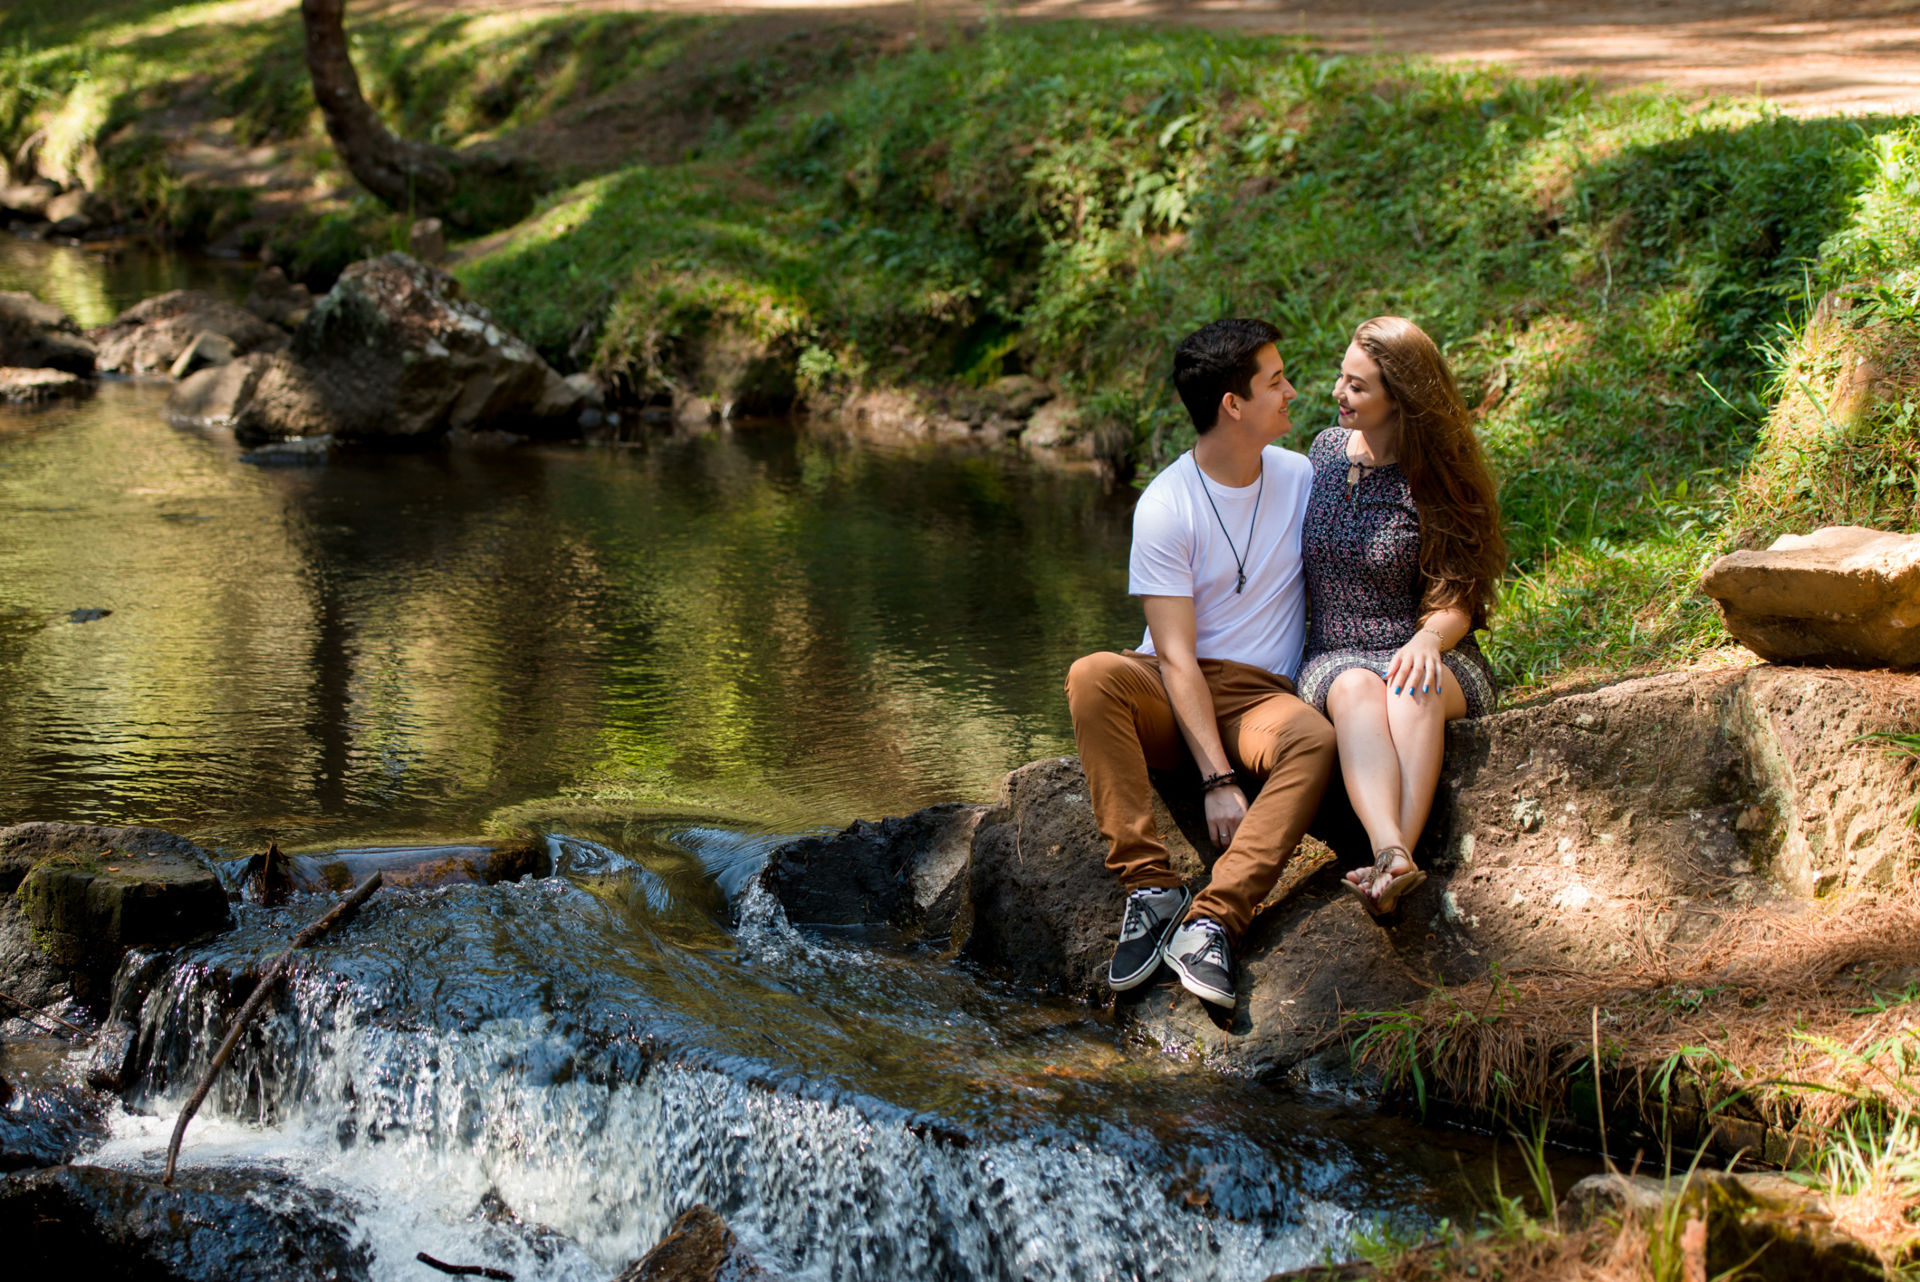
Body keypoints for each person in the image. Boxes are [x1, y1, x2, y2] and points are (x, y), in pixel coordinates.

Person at [1065, 318, 1336, 1008]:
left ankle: (1212, 919)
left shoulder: (1303, 478)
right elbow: (1176, 656)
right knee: (1093, 675)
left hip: (1258, 698)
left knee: (1314, 739)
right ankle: (1151, 890)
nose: (1292, 392)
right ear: (1232, 404)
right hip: (1169, 682)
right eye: (1277, 381)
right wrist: (1217, 778)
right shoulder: (1166, 504)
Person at [1295, 316, 1506, 914]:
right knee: (1361, 688)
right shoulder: (1324, 451)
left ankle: (1392, 863)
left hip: (1427, 647)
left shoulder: (1435, 476)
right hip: (1335, 655)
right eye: (1342, 377)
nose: (1339, 392)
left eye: (1357, 386)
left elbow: (1459, 596)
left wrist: (1428, 642)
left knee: (1412, 687)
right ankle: (1392, 849)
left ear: (1401, 399)